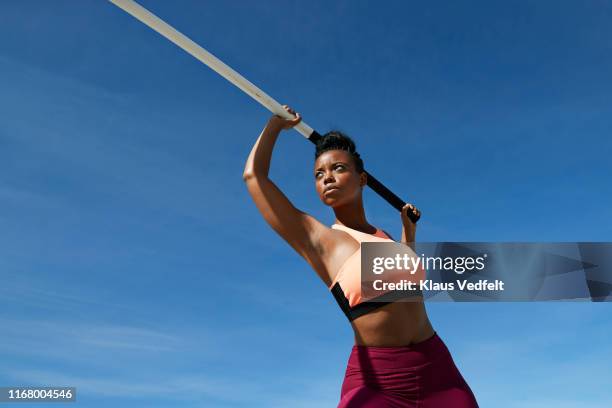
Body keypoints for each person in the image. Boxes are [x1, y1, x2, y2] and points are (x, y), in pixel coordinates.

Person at [243, 105, 479, 407]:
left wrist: (408, 234)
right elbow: (254, 177)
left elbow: (408, 288)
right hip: (379, 380)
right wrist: (275, 125)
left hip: (437, 368)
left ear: (362, 179)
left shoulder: (385, 238)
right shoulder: (319, 239)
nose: (327, 177)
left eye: (338, 168)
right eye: (319, 174)